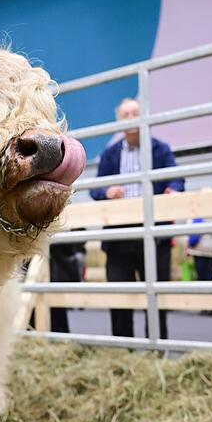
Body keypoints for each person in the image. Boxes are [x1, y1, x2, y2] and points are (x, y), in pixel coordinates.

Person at [89, 98, 185, 339]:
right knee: (120, 298)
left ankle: (156, 347)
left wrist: (173, 190)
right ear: (119, 121)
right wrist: (107, 192)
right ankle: (124, 348)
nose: (131, 119)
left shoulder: (160, 149)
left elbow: (177, 179)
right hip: (119, 235)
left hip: (153, 234)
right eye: (126, 115)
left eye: (135, 113)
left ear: (144, 118)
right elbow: (95, 189)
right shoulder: (109, 155)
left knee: (155, 298)